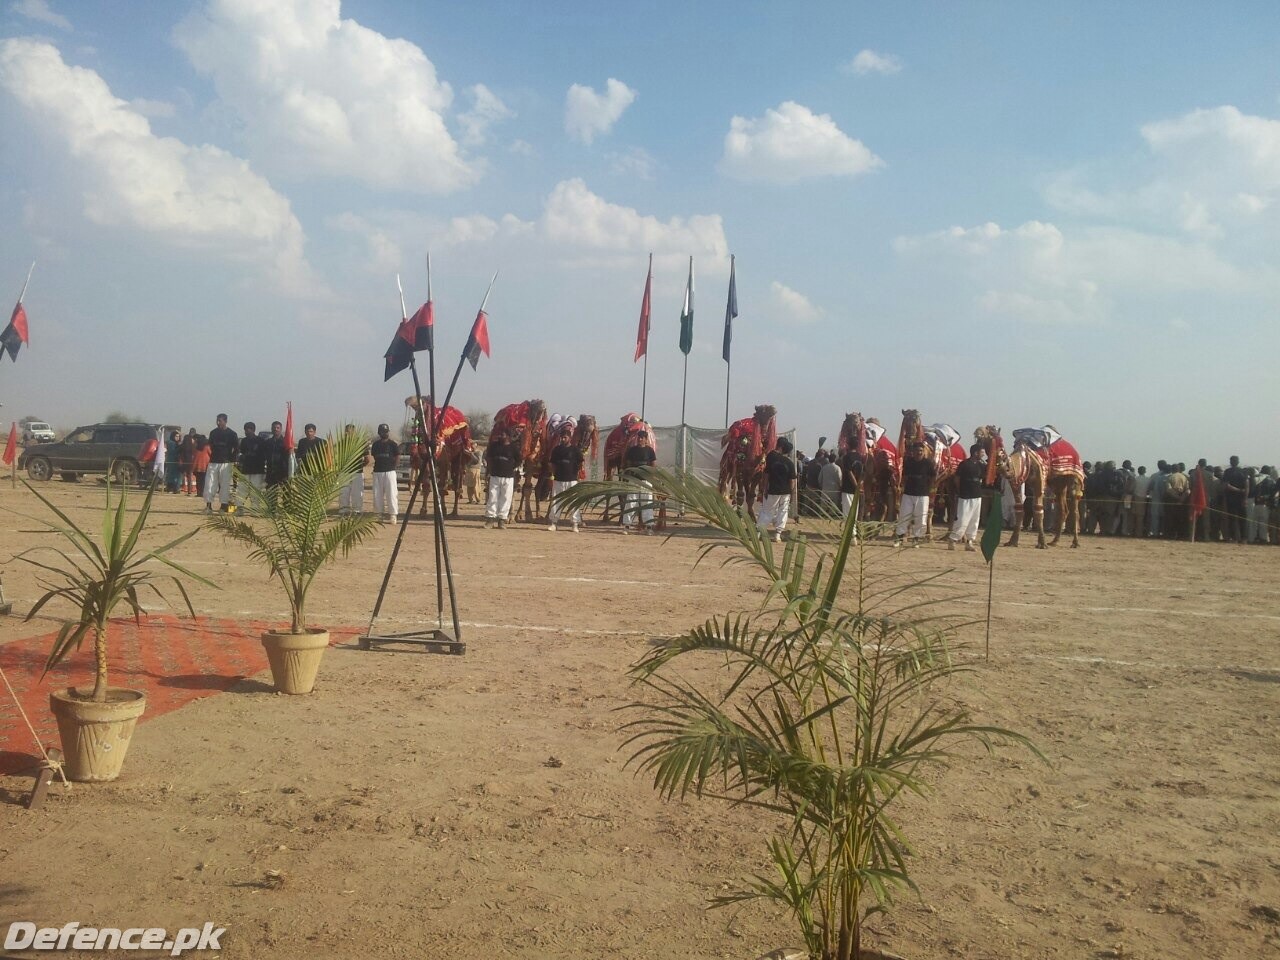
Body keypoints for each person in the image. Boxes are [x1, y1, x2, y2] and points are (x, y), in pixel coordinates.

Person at [894, 441, 935, 546]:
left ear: (923, 451)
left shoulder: (928, 463)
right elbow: (905, 477)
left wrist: (928, 489)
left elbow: (932, 478)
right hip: (908, 493)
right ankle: (899, 537)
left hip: (923, 495)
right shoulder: (908, 462)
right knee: (904, 516)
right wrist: (901, 488)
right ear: (913, 451)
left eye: (921, 450)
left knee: (920, 518)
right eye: (917, 450)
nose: (919, 452)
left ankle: (916, 538)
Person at [757, 437, 797, 542]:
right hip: (785, 492)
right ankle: (777, 535)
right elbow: (792, 481)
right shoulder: (790, 463)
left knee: (766, 511)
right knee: (783, 512)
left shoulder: (771, 457)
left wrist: (764, 488)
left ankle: (758, 532)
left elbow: (766, 474)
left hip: (772, 490)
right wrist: (792, 493)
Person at [948, 444, 985, 551]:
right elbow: (957, 479)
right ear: (976, 452)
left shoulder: (981, 465)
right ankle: (953, 539)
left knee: (974, 520)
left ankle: (969, 541)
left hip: (977, 495)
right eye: (981, 452)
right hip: (965, 495)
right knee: (962, 519)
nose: (983, 454)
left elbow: (985, 475)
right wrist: (960, 491)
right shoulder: (964, 464)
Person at [546, 429, 585, 532]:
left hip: (571, 480)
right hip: (558, 480)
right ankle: (554, 523)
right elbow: (552, 463)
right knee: (555, 502)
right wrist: (552, 474)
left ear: (569, 438)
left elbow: (581, 463)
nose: (563, 439)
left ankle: (575, 524)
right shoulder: (556, 450)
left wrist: (578, 476)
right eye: (562, 437)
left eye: (565, 438)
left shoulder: (575, 450)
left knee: (573, 502)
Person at [622, 433, 657, 534]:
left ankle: (649, 527)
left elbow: (653, 465)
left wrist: (652, 478)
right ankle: (627, 526)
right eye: (639, 437)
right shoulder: (632, 450)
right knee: (631, 503)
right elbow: (628, 464)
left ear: (646, 440)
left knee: (647, 503)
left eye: (642, 438)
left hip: (646, 481)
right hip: (634, 480)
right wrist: (628, 476)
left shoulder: (650, 451)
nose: (640, 439)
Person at [484, 431, 520, 529]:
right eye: (500, 434)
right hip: (495, 475)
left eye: (502, 434)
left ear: (508, 436)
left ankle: (502, 520)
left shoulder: (513, 448)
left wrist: (510, 467)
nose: (500, 436)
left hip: (508, 477)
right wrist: (490, 470)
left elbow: (518, 460)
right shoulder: (494, 446)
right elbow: (489, 458)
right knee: (492, 497)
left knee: (506, 498)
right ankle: (490, 519)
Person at [205, 413, 238, 513]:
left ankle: (223, 507)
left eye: (220, 421)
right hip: (213, 462)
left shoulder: (232, 434)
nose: (218, 423)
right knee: (210, 484)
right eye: (217, 421)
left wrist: (233, 460)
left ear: (225, 421)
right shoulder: (213, 433)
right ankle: (208, 506)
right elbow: (210, 446)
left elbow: (236, 448)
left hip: (226, 463)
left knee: (225, 485)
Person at [370, 423, 399, 523]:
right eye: (383, 432)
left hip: (390, 472)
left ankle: (393, 515)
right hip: (377, 471)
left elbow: (397, 456)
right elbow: (374, 456)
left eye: (386, 431)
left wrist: (393, 467)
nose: (385, 433)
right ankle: (378, 514)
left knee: (391, 494)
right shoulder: (375, 445)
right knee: (377, 494)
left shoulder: (393, 444)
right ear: (379, 433)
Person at [339, 424, 369, 515]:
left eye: (350, 431)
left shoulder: (360, 443)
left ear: (354, 432)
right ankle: (344, 510)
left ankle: (357, 511)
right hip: (344, 472)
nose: (348, 433)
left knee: (357, 493)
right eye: (346, 431)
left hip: (357, 472)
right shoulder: (341, 443)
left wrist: (359, 466)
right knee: (344, 493)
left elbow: (367, 459)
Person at [237, 421, 266, 508]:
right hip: (246, 469)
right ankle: (239, 507)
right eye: (245, 430)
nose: (245, 432)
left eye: (247, 430)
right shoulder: (244, 441)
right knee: (242, 489)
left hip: (257, 469)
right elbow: (241, 453)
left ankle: (255, 508)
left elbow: (263, 455)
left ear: (253, 430)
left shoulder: (261, 441)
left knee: (256, 490)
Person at [1221, 455, 1249, 544]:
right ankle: (1244, 538)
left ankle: (1234, 538)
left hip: (1231, 498)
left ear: (1230, 462)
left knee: (1232, 519)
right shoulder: (1244, 471)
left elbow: (1226, 485)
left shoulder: (1228, 472)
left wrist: (1237, 490)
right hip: (1241, 498)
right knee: (1242, 519)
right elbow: (1247, 486)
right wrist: (1245, 497)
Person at [264, 421, 289, 487]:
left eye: (278, 428)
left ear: (281, 429)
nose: (276, 429)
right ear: (271, 429)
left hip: (283, 473)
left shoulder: (286, 442)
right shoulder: (268, 442)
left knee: (285, 495)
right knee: (271, 495)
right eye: (274, 427)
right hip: (271, 473)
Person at [1130, 466, 1150, 537]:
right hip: (1144, 499)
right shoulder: (1148, 479)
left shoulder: (1135, 479)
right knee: (1140, 517)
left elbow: (1131, 489)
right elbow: (1149, 490)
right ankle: (1139, 533)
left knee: (1133, 516)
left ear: (1138, 471)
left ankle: (1132, 532)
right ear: (1145, 471)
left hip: (1135, 498)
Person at [179, 428, 198, 495]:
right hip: (191, 460)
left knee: (183, 474)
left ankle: (182, 488)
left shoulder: (186, 438)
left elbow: (181, 448)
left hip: (185, 459)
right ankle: (189, 490)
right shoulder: (194, 441)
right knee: (189, 475)